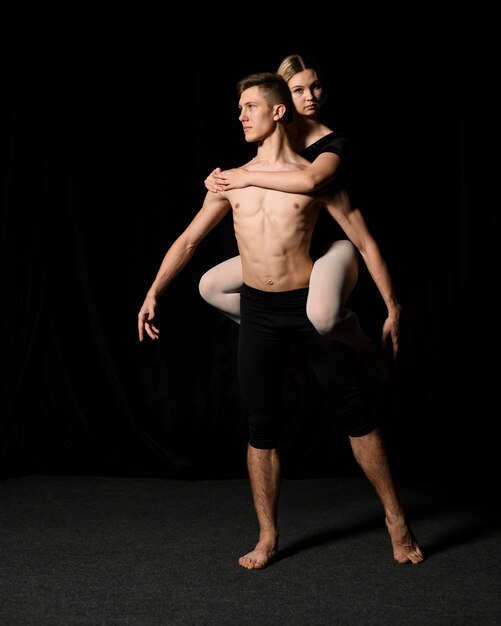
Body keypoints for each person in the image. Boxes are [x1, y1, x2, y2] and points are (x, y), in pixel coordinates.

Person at [138, 71, 424, 569]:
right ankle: (267, 536)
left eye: (250, 106)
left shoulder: (315, 176)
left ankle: (396, 519)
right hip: (260, 314)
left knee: (356, 415)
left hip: (305, 308)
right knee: (260, 426)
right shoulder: (230, 181)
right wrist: (153, 291)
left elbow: (363, 240)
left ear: (277, 112)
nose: (241, 115)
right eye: (240, 107)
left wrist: (394, 305)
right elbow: (188, 241)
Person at [200, 54, 398, 378]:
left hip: (328, 248)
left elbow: (309, 182)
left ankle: (360, 343)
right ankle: (283, 338)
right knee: (210, 286)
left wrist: (393, 306)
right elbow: (248, 177)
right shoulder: (273, 134)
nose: (310, 97)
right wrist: (217, 180)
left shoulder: (333, 143)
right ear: (280, 100)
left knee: (323, 317)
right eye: (298, 90)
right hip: (291, 250)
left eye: (315, 87)